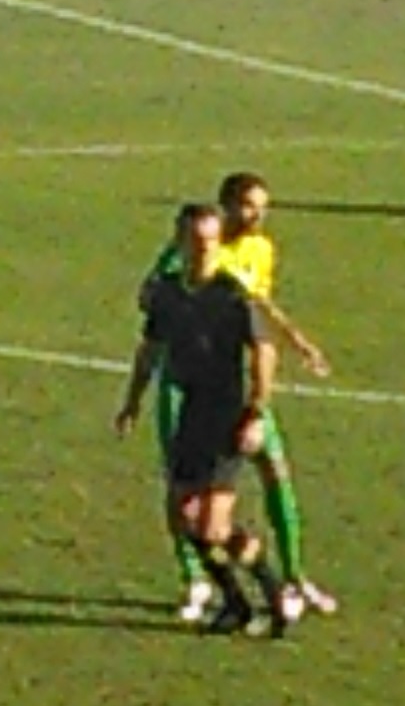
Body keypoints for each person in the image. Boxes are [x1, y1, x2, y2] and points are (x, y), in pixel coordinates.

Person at [141, 172, 334, 625]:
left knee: (274, 473)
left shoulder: (260, 249)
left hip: (239, 394)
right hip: (188, 387)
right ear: (226, 207)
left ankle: (293, 578)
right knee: (184, 496)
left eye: (262, 206)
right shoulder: (196, 248)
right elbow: (152, 298)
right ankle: (197, 579)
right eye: (249, 205)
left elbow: (259, 306)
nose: (258, 215)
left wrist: (296, 340)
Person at [115, 203, 294, 638]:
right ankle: (235, 603)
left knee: (212, 524)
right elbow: (151, 348)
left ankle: (273, 597)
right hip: (192, 412)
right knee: (184, 516)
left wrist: (256, 411)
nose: (202, 251)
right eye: (194, 243)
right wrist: (132, 401)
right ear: (180, 244)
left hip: (227, 413)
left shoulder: (232, 293)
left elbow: (265, 351)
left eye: (209, 243)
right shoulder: (169, 293)